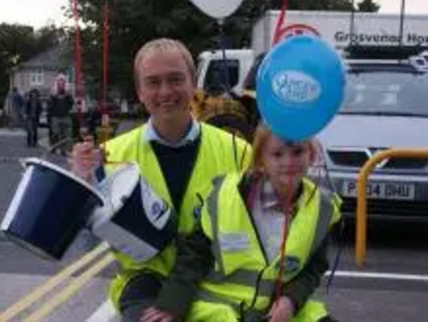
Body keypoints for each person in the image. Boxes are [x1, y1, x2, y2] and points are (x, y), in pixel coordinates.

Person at [70, 38, 252, 322]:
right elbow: (87, 247)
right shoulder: (110, 156)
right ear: (140, 92)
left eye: (175, 79)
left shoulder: (238, 152)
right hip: (146, 286)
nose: (165, 91)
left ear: (193, 84)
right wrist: (83, 188)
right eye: (153, 82)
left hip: (219, 282)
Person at [142, 124, 343, 322]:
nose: (289, 162)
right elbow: (194, 256)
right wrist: (171, 304)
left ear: (312, 155)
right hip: (220, 309)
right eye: (277, 154)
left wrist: (291, 300)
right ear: (260, 160)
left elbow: (313, 268)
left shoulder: (323, 209)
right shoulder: (226, 197)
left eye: (298, 152)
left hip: (276, 312)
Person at [48, 75, 74, 153]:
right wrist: (53, 97)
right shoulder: (53, 92)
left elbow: (71, 103)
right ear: (57, 82)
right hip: (55, 116)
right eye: (59, 81)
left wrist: (68, 96)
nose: (61, 83)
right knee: (55, 133)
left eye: (62, 81)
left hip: (65, 115)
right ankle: (54, 147)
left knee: (65, 134)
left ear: (65, 83)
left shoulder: (68, 92)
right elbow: (49, 105)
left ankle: (63, 150)